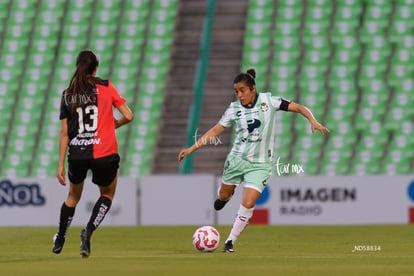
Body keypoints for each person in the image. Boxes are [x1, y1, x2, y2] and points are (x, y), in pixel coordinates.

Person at [178, 68, 329, 252]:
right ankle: (225, 196)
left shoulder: (269, 101)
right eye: (236, 91)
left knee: (248, 203)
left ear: (253, 89)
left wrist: (312, 120)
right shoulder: (234, 109)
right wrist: (192, 148)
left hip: (260, 164)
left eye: (242, 90)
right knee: (223, 196)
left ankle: (230, 241)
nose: (239, 95)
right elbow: (215, 131)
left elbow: (298, 107)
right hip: (236, 160)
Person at [52, 50, 134, 258]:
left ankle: (60, 237)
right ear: (95, 67)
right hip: (105, 152)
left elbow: (64, 133)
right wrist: (115, 123)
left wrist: (60, 164)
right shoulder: (106, 86)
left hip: (78, 153)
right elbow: (129, 115)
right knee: (107, 194)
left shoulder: (68, 93)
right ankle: (88, 231)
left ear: (77, 66)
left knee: (73, 197)